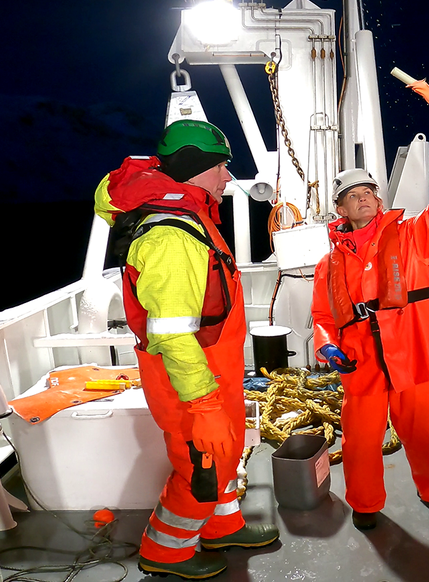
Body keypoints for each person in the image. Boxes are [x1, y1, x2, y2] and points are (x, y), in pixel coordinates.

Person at [94, 119, 279, 579]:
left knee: (224, 456)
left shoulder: (194, 216)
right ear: (197, 170)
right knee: (202, 468)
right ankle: (167, 552)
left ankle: (222, 527)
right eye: (220, 167)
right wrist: (205, 404)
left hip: (215, 375)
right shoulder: (172, 236)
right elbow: (174, 335)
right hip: (191, 387)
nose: (226, 178)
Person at [311, 137, 429, 530]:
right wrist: (327, 346)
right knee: (360, 443)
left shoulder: (411, 237)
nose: (363, 199)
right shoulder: (328, 263)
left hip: (416, 356)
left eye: (368, 192)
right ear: (341, 209)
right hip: (362, 364)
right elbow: (322, 315)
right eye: (352, 196)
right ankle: (366, 503)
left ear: (378, 199)